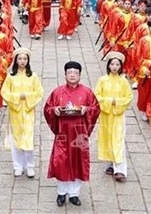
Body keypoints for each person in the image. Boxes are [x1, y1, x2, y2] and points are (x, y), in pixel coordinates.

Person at [44, 61, 100, 207]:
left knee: (78, 161)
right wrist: (54, 110)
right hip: (63, 133)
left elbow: (96, 108)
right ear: (65, 75)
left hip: (79, 133)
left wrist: (86, 109)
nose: (73, 75)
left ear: (80, 75)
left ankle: (74, 193)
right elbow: (47, 109)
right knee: (61, 161)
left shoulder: (87, 92)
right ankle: (61, 192)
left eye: (75, 72)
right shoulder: (57, 92)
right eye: (70, 72)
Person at [1, 48, 44, 178]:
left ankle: (30, 166)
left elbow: (39, 92)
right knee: (15, 139)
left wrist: (27, 96)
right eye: (20, 59)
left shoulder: (33, 76)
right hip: (15, 111)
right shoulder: (10, 77)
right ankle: (17, 166)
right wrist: (17, 97)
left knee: (28, 138)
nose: (22, 61)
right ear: (15, 60)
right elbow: (4, 92)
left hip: (29, 111)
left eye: (25, 59)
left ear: (28, 60)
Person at [94, 52, 132, 182]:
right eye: (112, 64)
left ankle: (120, 169)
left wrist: (117, 102)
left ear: (121, 66)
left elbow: (128, 98)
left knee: (117, 140)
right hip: (105, 115)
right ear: (108, 66)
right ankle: (111, 164)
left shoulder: (124, 81)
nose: (114, 67)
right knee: (107, 138)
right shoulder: (102, 80)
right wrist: (108, 101)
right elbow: (97, 96)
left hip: (118, 115)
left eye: (117, 64)